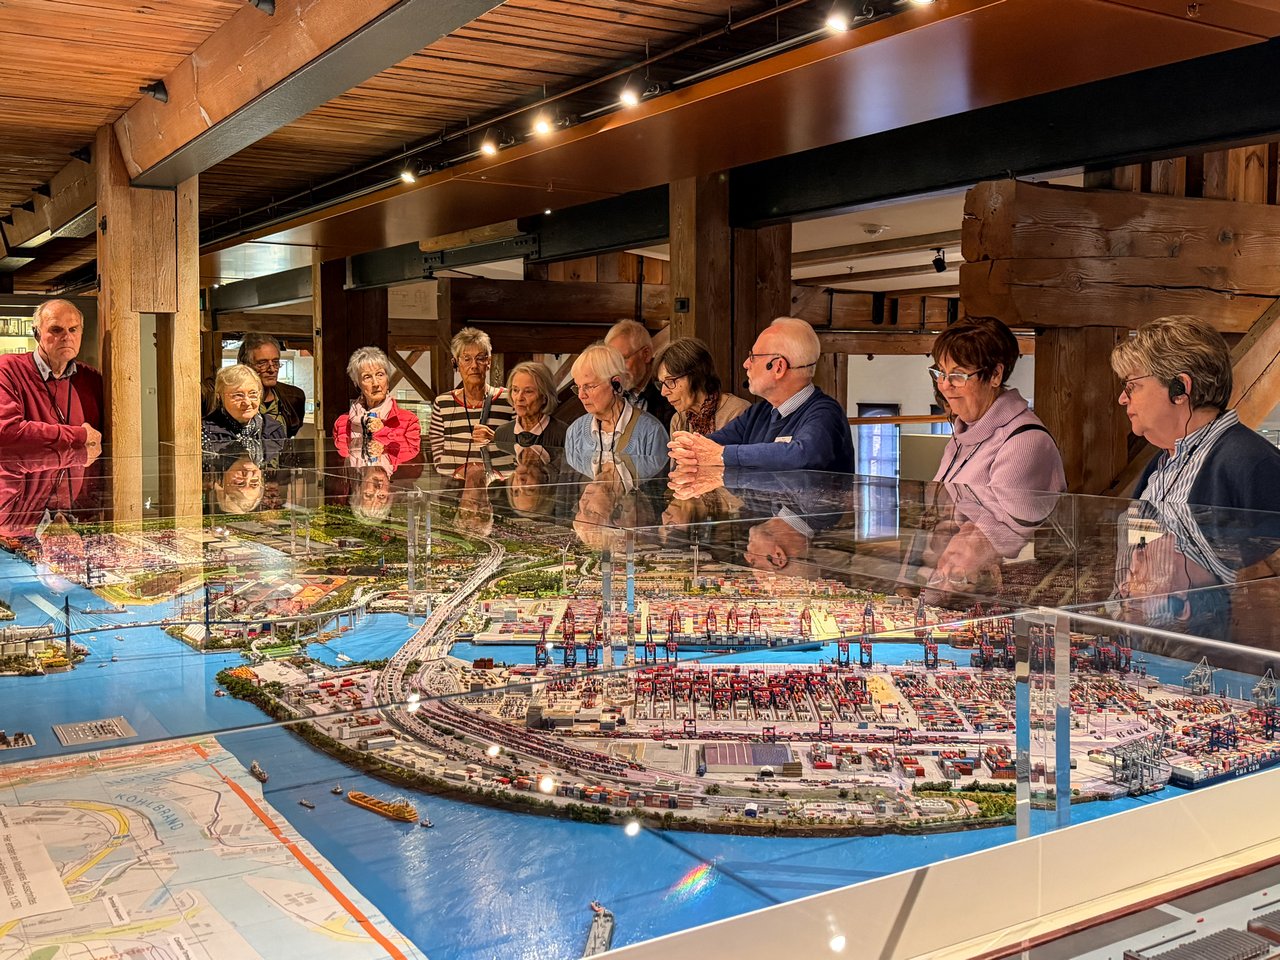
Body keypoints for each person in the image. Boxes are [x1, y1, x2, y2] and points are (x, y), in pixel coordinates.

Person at [1113, 314, 1280, 510]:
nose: (1122, 399)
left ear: (1179, 389)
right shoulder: (1163, 462)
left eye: (1132, 386)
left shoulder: (1255, 465)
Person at [668, 317, 854, 473]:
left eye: (753, 357)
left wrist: (723, 455)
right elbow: (714, 442)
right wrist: (690, 448)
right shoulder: (759, 413)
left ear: (778, 367)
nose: (746, 364)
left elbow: (802, 455)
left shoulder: (825, 413)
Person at [929, 318, 1065, 492]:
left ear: (995, 375)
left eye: (958, 375)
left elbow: (1003, 512)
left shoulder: (1024, 443)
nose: (945, 385)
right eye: (941, 372)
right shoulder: (963, 435)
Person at [0, 299, 103, 450]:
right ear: (37, 333)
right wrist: (78, 435)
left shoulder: (92, 378)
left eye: (73, 329)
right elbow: (6, 431)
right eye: (56, 330)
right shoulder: (8, 369)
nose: (67, 337)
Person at [565, 342, 669, 481]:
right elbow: (571, 487)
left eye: (589, 386)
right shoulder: (574, 433)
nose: (581, 395)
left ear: (616, 383)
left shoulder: (652, 431)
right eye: (578, 387)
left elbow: (660, 485)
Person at [428, 327, 514, 478]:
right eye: (466, 359)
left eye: (480, 358)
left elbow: (523, 443)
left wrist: (496, 438)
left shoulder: (510, 399)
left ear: (489, 362)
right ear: (456, 363)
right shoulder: (442, 403)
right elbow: (435, 444)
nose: (474, 365)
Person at [201, 334, 307, 438]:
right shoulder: (214, 393)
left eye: (275, 362)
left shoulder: (294, 397)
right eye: (262, 363)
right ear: (245, 365)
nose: (272, 369)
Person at [333, 346, 421, 469]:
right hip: (360, 479)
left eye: (380, 374)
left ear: (387, 379)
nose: (375, 383)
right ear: (357, 383)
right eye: (367, 377)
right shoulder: (342, 424)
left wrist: (380, 431)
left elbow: (412, 464)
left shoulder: (409, 421)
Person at [654, 337, 749, 435]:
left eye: (670, 381)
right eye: (661, 384)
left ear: (696, 375)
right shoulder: (678, 420)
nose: (663, 392)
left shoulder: (738, 412)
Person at [201, 364, 286, 465]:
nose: (247, 402)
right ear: (219, 397)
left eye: (253, 394)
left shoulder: (274, 429)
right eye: (238, 395)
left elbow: (285, 469)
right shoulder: (206, 431)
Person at [605, 319, 675, 428]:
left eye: (623, 359)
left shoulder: (668, 391)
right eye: (613, 361)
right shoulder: (613, 393)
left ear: (646, 354)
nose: (617, 368)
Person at [493, 361, 567, 456]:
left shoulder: (564, 435)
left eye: (528, 391)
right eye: (515, 390)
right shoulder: (501, 433)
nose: (519, 398)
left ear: (544, 397)